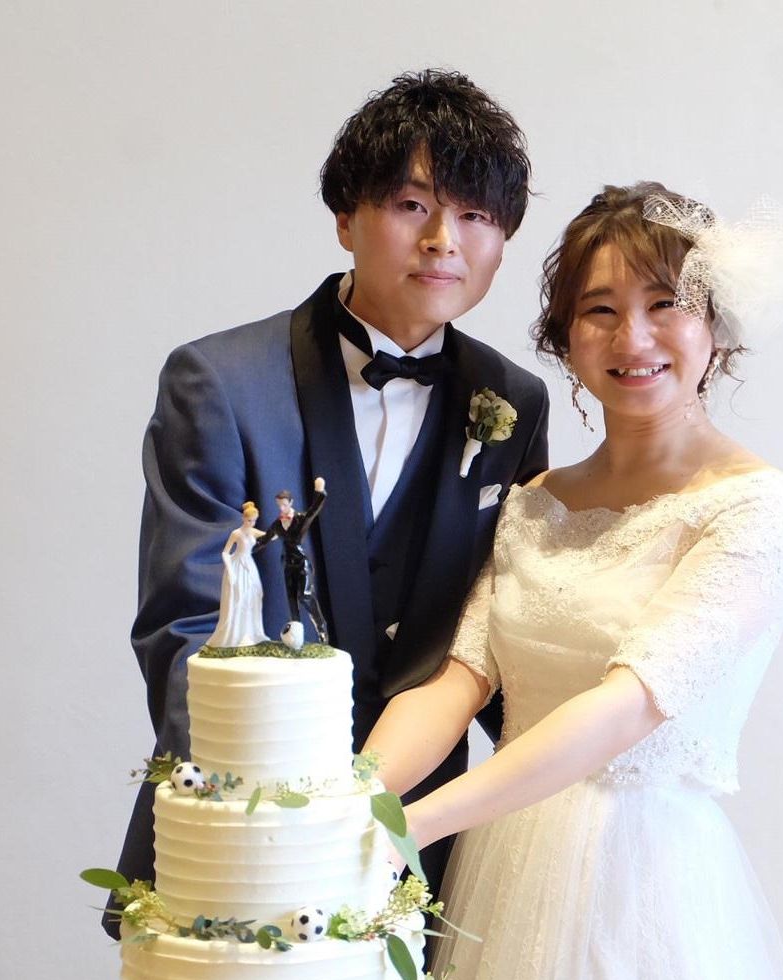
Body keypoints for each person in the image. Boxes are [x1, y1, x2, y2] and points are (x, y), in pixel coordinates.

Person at [104, 70, 550, 935]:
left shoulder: (512, 403)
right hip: (245, 832)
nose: (443, 242)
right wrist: (268, 811)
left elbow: (497, 631)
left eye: (475, 216)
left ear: (502, 242)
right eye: (412, 206)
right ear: (346, 217)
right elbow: (184, 624)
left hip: (422, 843)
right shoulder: (221, 382)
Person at [365, 183, 783, 980]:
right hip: (504, 864)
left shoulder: (757, 508)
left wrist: (410, 824)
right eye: (599, 310)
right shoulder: (535, 502)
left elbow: (629, 703)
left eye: (665, 305)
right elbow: (459, 678)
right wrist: (347, 798)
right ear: (565, 338)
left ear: (715, 328)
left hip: (643, 880)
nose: (632, 338)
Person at [255, 478, 329, 643]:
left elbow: (313, 511)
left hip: (301, 563)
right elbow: (265, 539)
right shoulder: (277, 524)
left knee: (305, 595)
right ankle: (296, 637)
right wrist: (247, 549)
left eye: (284, 504)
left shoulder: (300, 518)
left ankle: (321, 627)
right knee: (291, 602)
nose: (281, 508)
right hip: (288, 564)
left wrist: (319, 492)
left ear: (291, 503)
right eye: (279, 505)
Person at [205, 500, 269, 648]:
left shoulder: (253, 531)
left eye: (254, 521)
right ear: (243, 518)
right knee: (238, 597)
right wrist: (230, 570)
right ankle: (235, 635)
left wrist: (283, 523)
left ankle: (249, 632)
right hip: (238, 565)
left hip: (249, 565)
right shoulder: (236, 533)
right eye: (249, 520)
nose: (251, 523)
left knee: (254, 596)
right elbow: (225, 552)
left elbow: (271, 535)